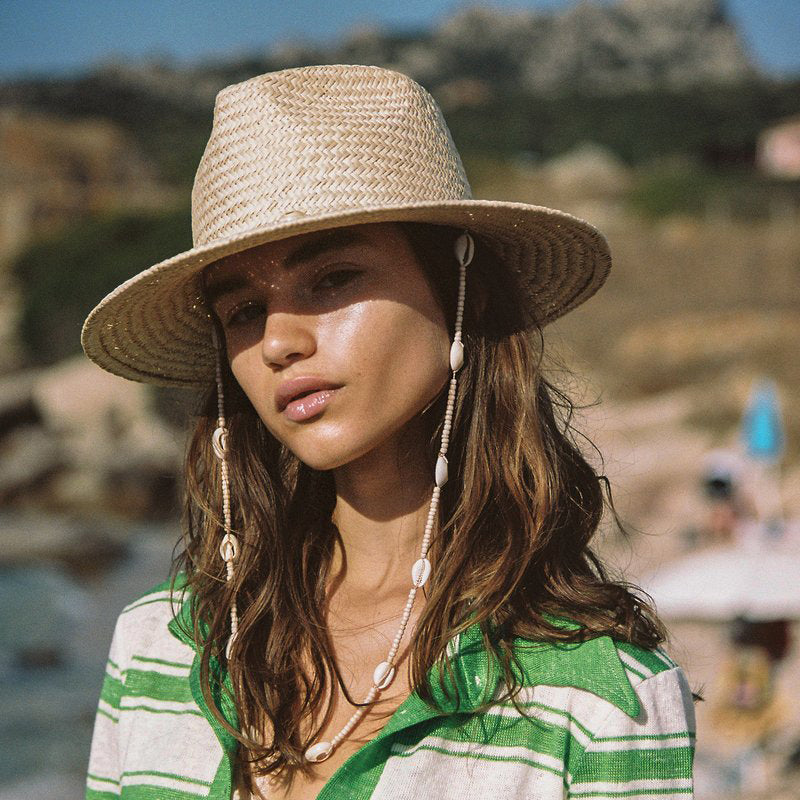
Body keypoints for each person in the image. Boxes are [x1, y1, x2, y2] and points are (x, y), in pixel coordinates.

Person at [82, 64, 696, 800]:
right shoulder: (158, 648)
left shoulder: (600, 699)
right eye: (243, 309)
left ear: (456, 285)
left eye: (333, 278)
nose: (278, 340)